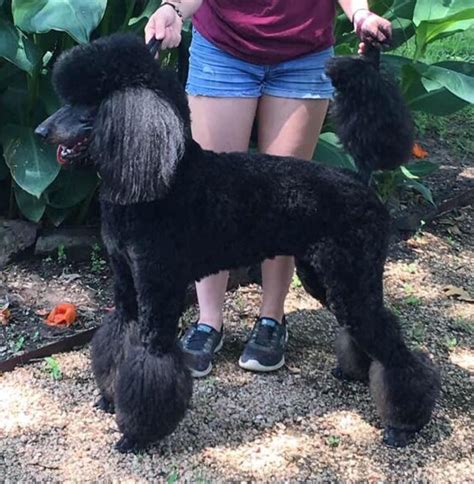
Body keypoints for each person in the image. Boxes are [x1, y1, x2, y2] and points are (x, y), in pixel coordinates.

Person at [145, 1, 392, 378]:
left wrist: (359, 14)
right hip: (223, 48)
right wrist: (173, 10)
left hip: (302, 54)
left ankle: (272, 318)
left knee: (286, 203)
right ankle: (208, 321)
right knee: (211, 202)